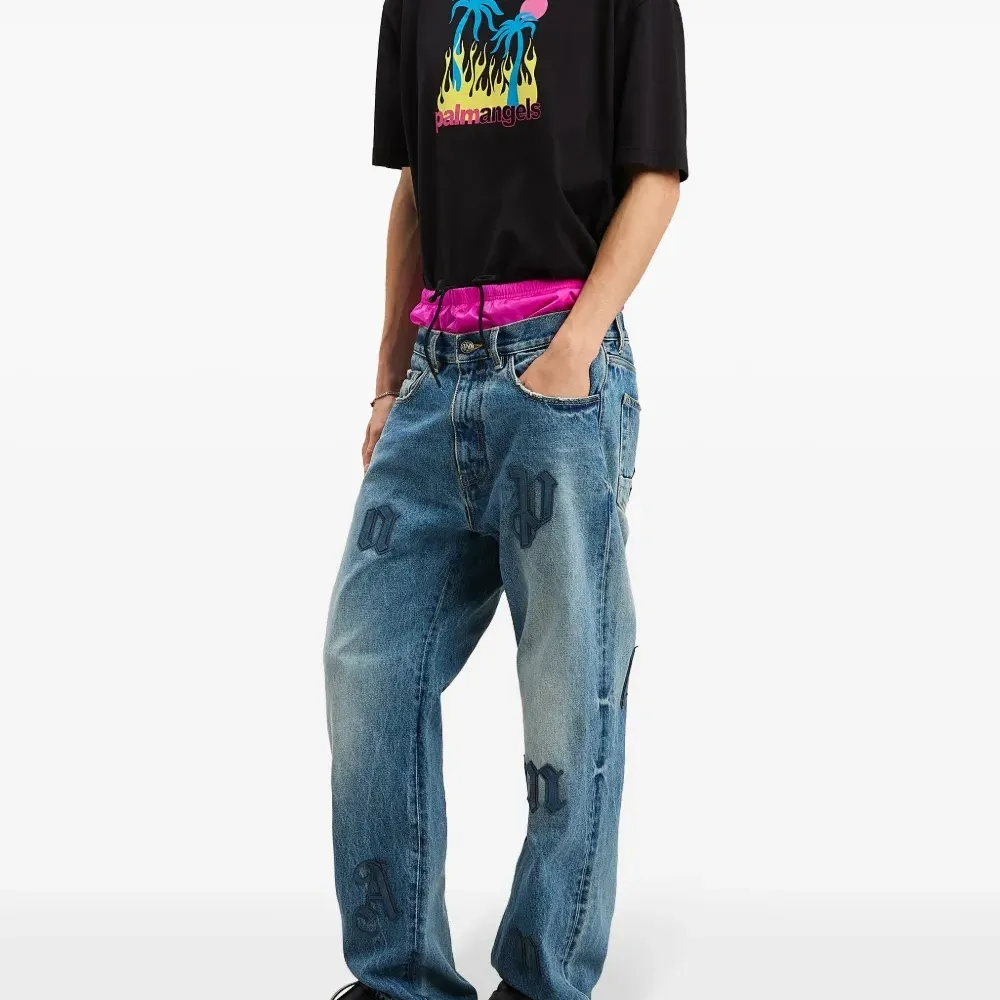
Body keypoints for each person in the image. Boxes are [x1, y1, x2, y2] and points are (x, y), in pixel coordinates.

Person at [324, 0, 687, 997]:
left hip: (554, 366)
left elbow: (655, 178)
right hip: (433, 371)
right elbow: (413, 190)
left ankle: (542, 978)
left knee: (568, 691)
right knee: (365, 664)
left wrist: (574, 349)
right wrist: (388, 378)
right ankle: (397, 978)